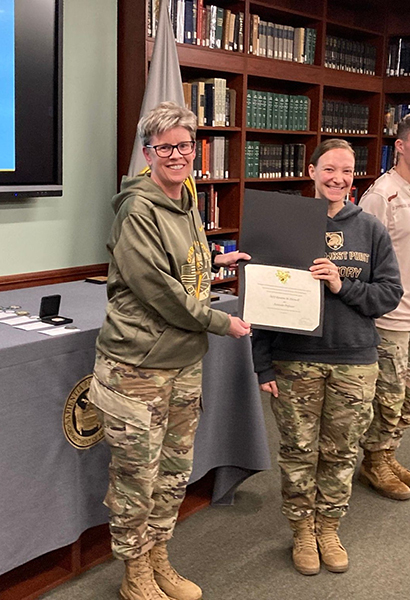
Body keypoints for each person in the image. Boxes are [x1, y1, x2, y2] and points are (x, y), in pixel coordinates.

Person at [88, 101, 251, 600]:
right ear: (148, 153)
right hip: (137, 368)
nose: (177, 155)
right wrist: (223, 321)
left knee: (174, 472)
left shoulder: (186, 199)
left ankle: (159, 556)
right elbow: (160, 292)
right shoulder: (138, 211)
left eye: (184, 145)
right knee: (137, 478)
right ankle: (134, 572)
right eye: (165, 148)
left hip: (183, 363)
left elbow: (185, 266)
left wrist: (221, 258)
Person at [251, 139, 403, 575]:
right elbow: (262, 298)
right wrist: (262, 364)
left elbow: (389, 294)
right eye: (329, 169)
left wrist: (343, 285)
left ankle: (328, 526)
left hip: (354, 360)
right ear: (313, 170)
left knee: (340, 452)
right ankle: (301, 529)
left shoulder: (370, 228)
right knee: (298, 451)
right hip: (294, 360)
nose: (338, 179)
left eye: (347, 171)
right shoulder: (285, 222)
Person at [358, 111, 410, 501]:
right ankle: (373, 462)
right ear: (401, 146)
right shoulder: (380, 196)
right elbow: (361, 259)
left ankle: (388, 454)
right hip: (389, 317)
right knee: (387, 399)